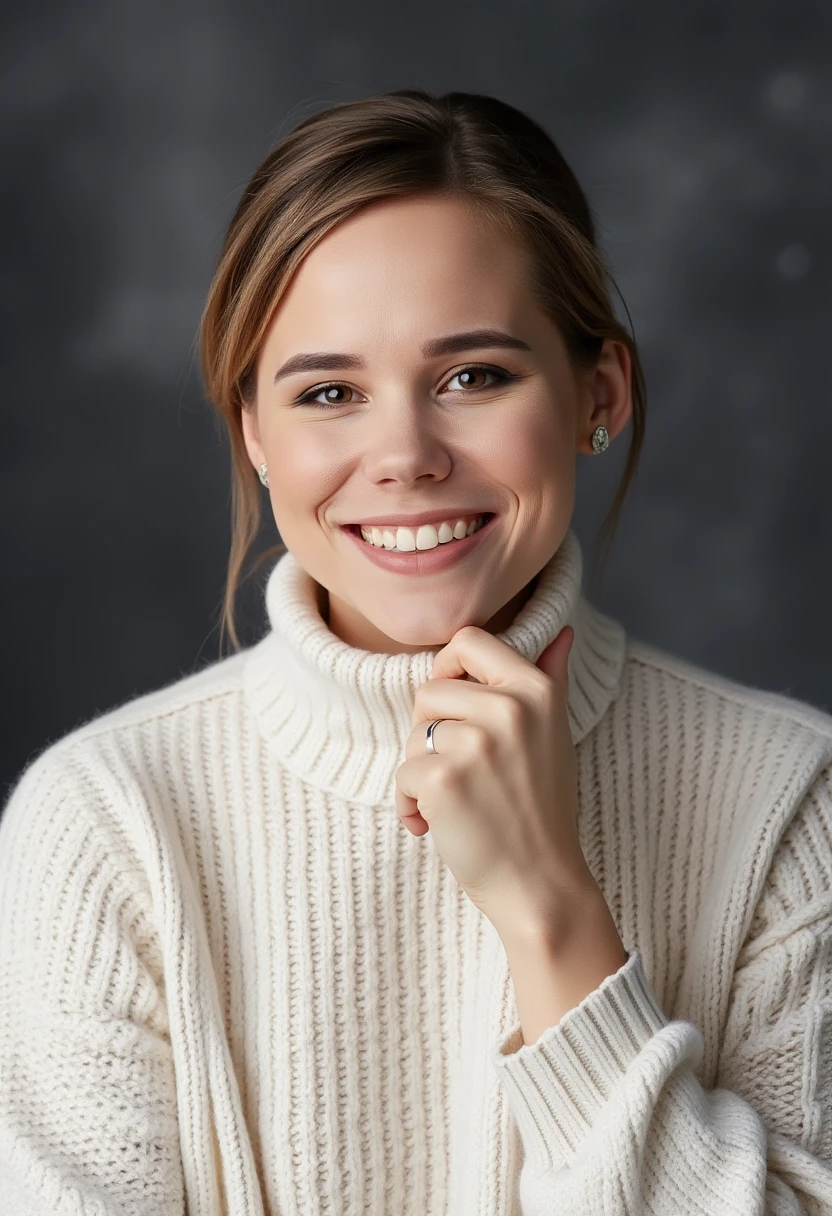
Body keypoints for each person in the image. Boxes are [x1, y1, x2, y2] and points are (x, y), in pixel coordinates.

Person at [1, 89, 831, 1216]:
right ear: (255, 431)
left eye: (473, 376)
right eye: (329, 392)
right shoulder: (105, 825)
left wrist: (551, 909)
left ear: (600, 391)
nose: (402, 455)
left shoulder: (791, 801)